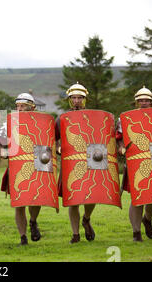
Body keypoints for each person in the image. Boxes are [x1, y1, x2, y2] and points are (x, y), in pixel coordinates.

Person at [116, 86, 152, 242]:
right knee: (137, 198)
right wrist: (121, 148)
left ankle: (147, 218)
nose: (143, 103)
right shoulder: (125, 119)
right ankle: (136, 233)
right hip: (135, 162)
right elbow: (119, 139)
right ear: (136, 102)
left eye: (146, 100)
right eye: (140, 100)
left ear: (151, 102)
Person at [56, 83, 96, 244]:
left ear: (85, 99)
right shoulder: (62, 118)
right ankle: (75, 234)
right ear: (69, 100)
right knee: (73, 200)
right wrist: (58, 147)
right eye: (74, 97)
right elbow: (54, 139)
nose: (77, 100)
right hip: (71, 163)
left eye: (80, 97)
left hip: (90, 162)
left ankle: (86, 218)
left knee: (90, 196)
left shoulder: (93, 117)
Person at [2, 93, 42, 245]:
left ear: (32, 107)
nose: (19, 109)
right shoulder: (8, 124)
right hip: (17, 166)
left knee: (35, 200)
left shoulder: (41, 122)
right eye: (17, 106)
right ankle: (23, 236)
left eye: (23, 106)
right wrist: (3, 150)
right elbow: (2, 142)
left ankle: (32, 221)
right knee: (19, 204)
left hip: (36, 166)